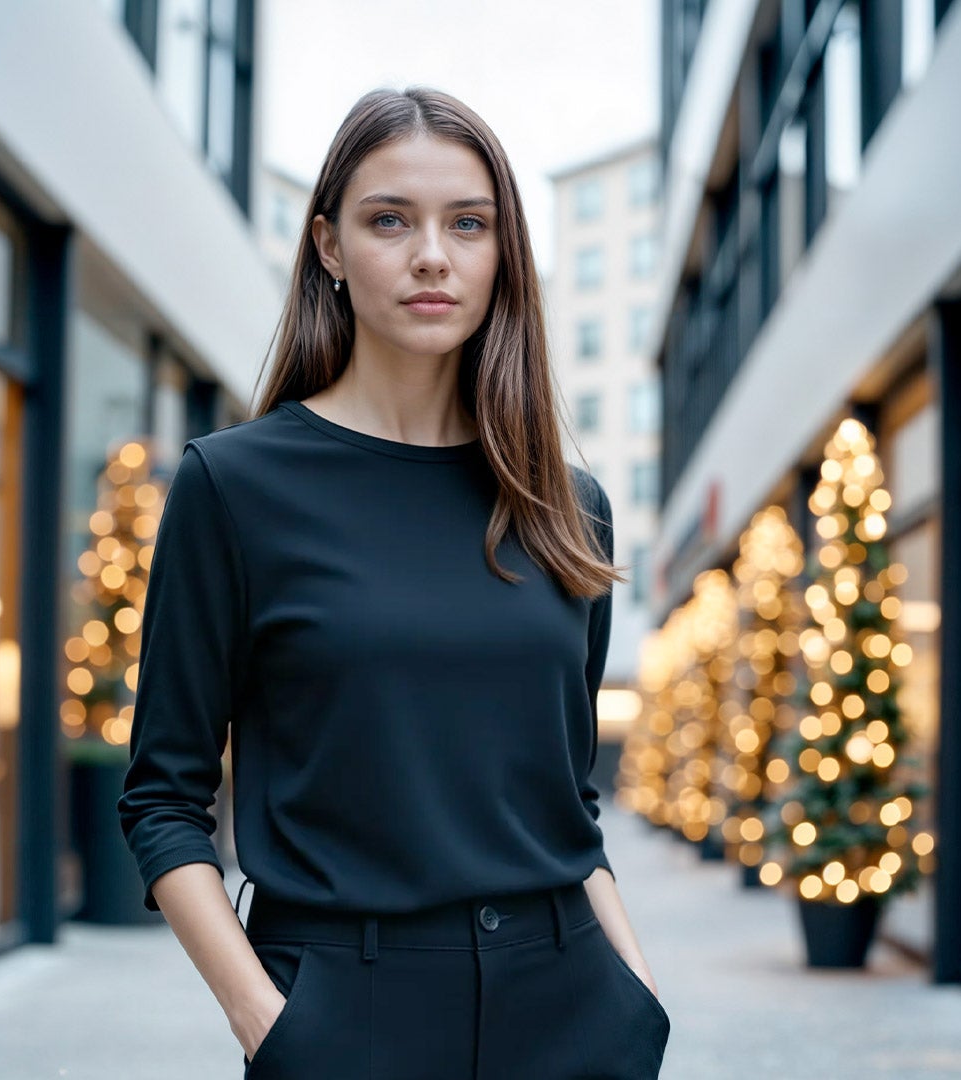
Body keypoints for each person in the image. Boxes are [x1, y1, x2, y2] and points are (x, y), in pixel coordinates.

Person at [117, 86, 670, 1079]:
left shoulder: (567, 505)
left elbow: (566, 795)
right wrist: (268, 1021)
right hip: (344, 1013)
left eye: (469, 223)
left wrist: (638, 999)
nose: (432, 256)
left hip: (572, 1007)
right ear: (328, 246)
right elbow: (163, 799)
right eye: (390, 221)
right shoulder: (234, 487)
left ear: (503, 254)